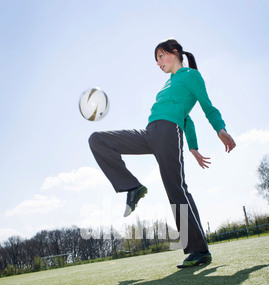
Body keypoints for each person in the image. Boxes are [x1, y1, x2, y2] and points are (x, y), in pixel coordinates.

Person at [88, 38, 236, 268]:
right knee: (98, 140)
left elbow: (205, 108)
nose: (158, 63)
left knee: (176, 190)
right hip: (149, 133)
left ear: (175, 52)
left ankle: (199, 250)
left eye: (160, 56)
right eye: (156, 59)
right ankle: (132, 187)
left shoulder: (191, 76)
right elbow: (185, 116)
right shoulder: (169, 83)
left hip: (169, 132)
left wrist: (219, 130)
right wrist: (194, 149)